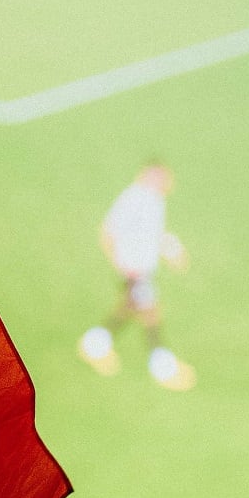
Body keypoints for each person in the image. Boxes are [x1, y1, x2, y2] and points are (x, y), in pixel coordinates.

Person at [79, 163, 195, 390]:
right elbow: (109, 231)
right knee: (150, 313)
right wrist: (122, 263)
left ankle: (94, 345)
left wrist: (172, 251)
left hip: (140, 269)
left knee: (131, 308)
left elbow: (153, 233)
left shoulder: (153, 200)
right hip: (134, 269)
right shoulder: (136, 198)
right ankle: (162, 366)